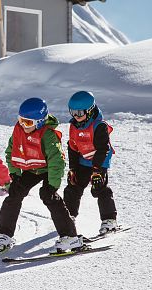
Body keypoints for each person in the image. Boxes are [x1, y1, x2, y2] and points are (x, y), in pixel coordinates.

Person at [0, 98, 83, 254]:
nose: (22, 125)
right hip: (31, 169)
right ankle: (4, 235)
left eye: (27, 123)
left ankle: (70, 237)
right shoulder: (18, 131)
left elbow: (57, 161)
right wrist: (15, 174)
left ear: (40, 122)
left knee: (48, 195)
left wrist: (53, 184)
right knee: (14, 193)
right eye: (20, 120)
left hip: (48, 169)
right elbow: (11, 153)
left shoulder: (48, 135)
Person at [63, 91, 118, 235]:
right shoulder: (74, 125)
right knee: (73, 187)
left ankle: (109, 220)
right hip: (82, 160)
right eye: (72, 112)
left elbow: (102, 149)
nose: (76, 116)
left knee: (99, 188)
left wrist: (97, 171)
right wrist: (73, 168)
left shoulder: (99, 126)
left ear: (90, 110)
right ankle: (69, 217)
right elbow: (73, 147)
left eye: (79, 113)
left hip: (99, 161)